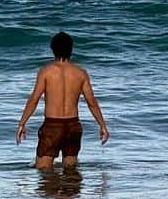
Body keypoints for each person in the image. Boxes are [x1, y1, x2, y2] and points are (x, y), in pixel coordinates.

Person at [15, 31, 109, 170]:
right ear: (71, 50)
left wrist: (22, 123)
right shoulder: (80, 73)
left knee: (44, 171)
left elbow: (34, 100)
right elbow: (92, 102)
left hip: (52, 126)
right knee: (71, 173)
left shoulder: (46, 72)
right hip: (73, 126)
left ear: (53, 49)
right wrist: (102, 125)